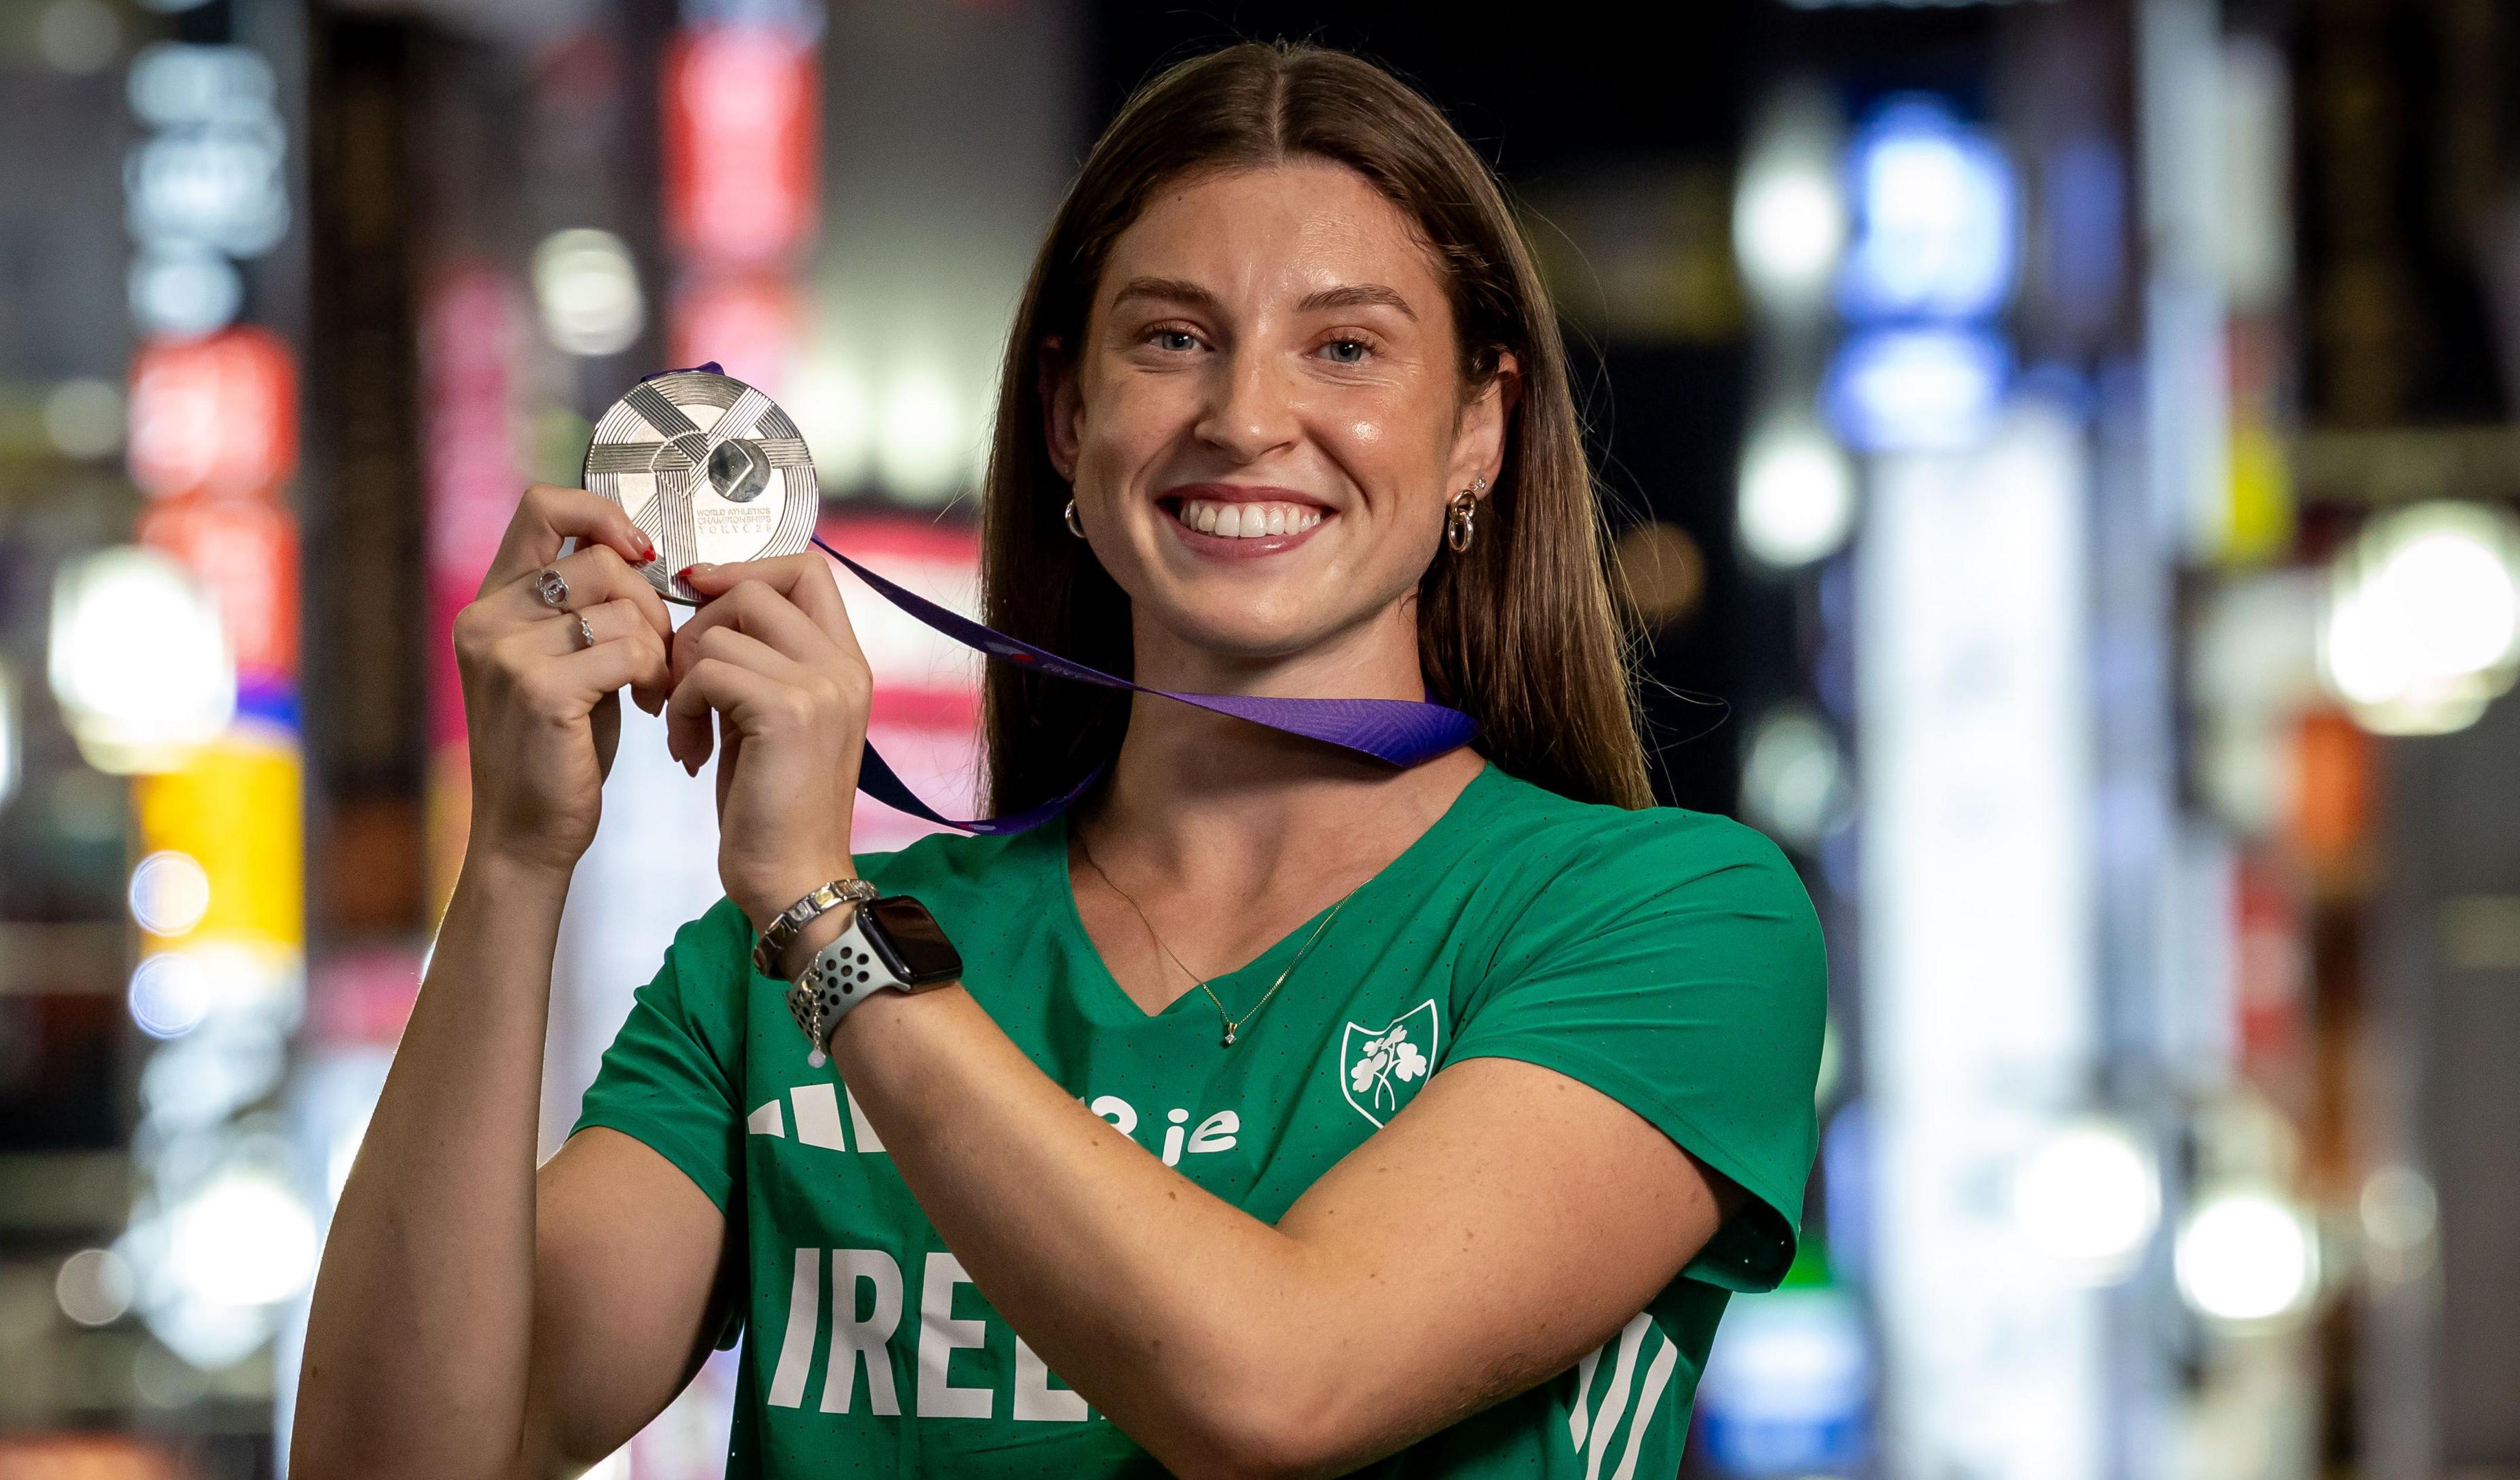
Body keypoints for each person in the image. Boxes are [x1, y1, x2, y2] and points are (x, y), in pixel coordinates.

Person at [293, 40, 1826, 1480]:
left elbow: (1279, 1391)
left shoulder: (1671, 923)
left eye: (1345, 345)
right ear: (1063, 415)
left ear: (1480, 430)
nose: (1245, 416)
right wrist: (513, 862)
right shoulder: (747, 978)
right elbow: (408, 1457)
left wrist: (826, 919)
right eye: (1172, 339)